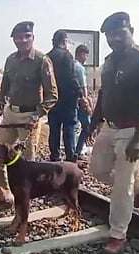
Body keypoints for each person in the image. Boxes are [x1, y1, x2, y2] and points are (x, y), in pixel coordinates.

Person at [88, 12, 139, 253]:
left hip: (132, 129)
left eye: (120, 34)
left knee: (121, 184)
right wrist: (94, 120)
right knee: (97, 170)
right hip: (109, 126)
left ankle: (118, 234)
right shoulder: (109, 61)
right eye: (110, 36)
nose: (115, 39)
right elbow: (104, 93)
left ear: (131, 30)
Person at [0, 21, 58, 208]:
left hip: (30, 117)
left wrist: (37, 116)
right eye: (18, 37)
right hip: (11, 113)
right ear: (14, 39)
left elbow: (52, 95)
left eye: (26, 36)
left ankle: (24, 198)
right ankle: (4, 194)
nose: (22, 40)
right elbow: (4, 88)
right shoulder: (10, 59)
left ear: (32, 38)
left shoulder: (42, 61)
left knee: (27, 162)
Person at [46, 30, 82, 162]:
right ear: (64, 41)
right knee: (69, 128)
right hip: (68, 99)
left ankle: (54, 156)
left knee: (54, 129)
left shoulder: (47, 57)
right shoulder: (67, 56)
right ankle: (70, 156)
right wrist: (80, 93)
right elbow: (72, 77)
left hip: (52, 99)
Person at [73, 45, 93, 161]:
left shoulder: (70, 65)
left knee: (73, 127)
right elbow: (83, 87)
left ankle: (72, 150)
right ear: (81, 54)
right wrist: (87, 105)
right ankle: (78, 150)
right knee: (87, 126)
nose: (86, 58)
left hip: (71, 102)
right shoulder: (79, 68)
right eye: (86, 55)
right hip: (80, 101)